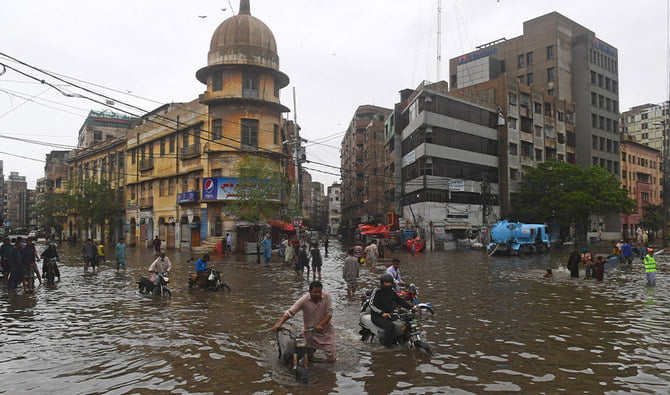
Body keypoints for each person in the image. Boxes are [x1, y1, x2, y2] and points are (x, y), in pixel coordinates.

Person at [271, 281, 336, 362]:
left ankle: (330, 373)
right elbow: (290, 312)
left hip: (325, 332)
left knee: (331, 356)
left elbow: (329, 314)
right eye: (315, 292)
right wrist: (280, 324)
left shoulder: (326, 297)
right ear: (310, 292)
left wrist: (321, 325)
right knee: (308, 355)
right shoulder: (303, 300)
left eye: (319, 292)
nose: (318, 294)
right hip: (310, 332)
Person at [369, 273, 418, 347]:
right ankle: (386, 346)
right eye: (386, 282)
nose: (388, 284)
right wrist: (382, 313)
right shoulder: (377, 290)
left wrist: (411, 307)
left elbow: (399, 300)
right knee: (390, 326)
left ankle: (402, 341)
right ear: (382, 282)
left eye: (390, 283)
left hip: (389, 314)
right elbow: (371, 304)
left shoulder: (391, 290)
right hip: (377, 316)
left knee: (404, 322)